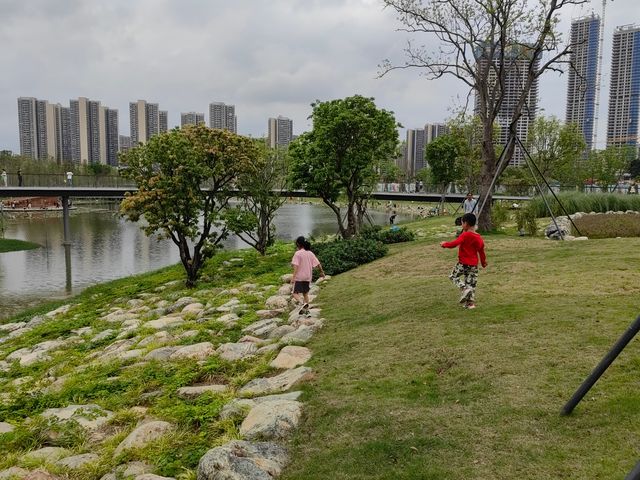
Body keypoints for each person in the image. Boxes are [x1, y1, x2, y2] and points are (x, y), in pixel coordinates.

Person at [440, 213, 487, 309]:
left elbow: (455, 243)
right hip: (473, 265)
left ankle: (463, 288)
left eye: (462, 223)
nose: (461, 225)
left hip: (463, 264)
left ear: (466, 223)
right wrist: (483, 262)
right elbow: (481, 251)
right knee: (471, 284)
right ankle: (470, 304)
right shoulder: (478, 238)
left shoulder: (465, 235)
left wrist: (445, 244)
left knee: (453, 276)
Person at [290, 236, 325, 315]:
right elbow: (318, 264)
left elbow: (296, 267)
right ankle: (307, 312)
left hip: (299, 277)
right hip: (308, 276)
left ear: (298, 244)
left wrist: (293, 277)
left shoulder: (297, 253)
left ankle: (303, 303)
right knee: (305, 293)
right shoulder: (310, 253)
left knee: (294, 293)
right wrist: (322, 272)